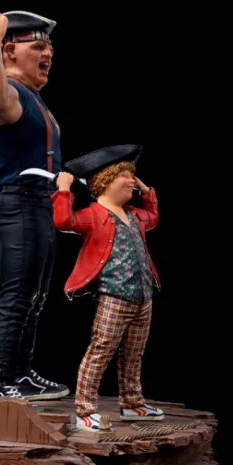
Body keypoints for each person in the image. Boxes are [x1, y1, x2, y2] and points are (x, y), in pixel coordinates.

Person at [0, 10, 69, 401]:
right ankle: (3, 384)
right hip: (22, 206)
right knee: (17, 297)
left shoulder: (33, 98)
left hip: (40, 206)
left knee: (36, 297)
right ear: (11, 51)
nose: (47, 54)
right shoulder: (11, 93)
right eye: (37, 47)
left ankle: (22, 374)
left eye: (50, 49)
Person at [51, 145, 164, 430]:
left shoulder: (135, 215)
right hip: (114, 297)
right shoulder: (93, 214)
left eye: (133, 176)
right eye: (125, 175)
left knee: (134, 352)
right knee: (100, 351)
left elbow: (153, 217)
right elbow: (63, 220)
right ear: (105, 180)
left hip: (143, 297)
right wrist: (63, 189)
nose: (131, 181)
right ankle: (86, 409)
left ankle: (132, 403)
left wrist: (147, 191)